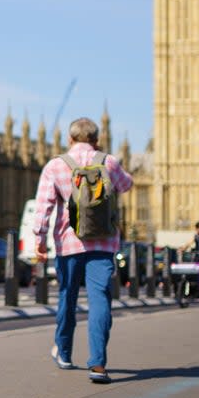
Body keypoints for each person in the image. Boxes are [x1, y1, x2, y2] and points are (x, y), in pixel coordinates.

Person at [33, 116, 134, 383]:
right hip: (103, 243)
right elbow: (126, 185)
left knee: (67, 297)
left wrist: (40, 240)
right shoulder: (108, 162)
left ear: (69, 139)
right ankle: (98, 364)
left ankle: (64, 352)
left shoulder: (56, 165)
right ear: (96, 139)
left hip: (69, 243)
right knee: (99, 299)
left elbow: (43, 207)